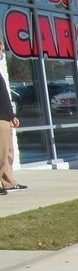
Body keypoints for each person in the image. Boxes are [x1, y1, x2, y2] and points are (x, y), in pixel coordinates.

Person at [0, 40, 26, 195]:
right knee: (1, 153)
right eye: (1, 49)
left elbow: (3, 98)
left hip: (5, 117)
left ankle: (9, 182)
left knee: (8, 153)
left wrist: (11, 115)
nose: (2, 53)